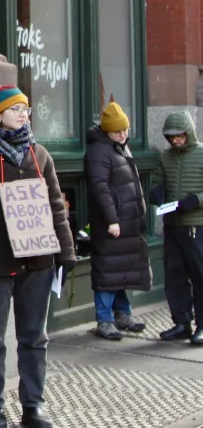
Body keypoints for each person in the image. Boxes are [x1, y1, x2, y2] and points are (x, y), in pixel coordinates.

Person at [0, 85, 76, 428]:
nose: (23, 113)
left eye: (26, 107)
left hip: (38, 262)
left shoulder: (39, 155)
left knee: (34, 337)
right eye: (15, 108)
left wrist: (66, 253)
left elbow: (57, 208)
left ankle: (32, 405)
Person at [83, 101, 150, 340]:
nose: (122, 134)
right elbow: (101, 188)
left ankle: (123, 313)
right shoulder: (99, 152)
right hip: (112, 224)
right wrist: (112, 220)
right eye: (117, 131)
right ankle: (105, 319)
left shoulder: (119, 147)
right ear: (107, 131)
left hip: (125, 221)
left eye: (125, 130)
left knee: (119, 269)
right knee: (107, 271)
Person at [149, 111, 203, 346]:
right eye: (171, 137)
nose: (175, 141)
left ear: (188, 133)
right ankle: (182, 323)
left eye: (179, 136)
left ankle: (202, 326)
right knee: (175, 277)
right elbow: (156, 180)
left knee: (200, 277)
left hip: (197, 227)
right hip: (173, 226)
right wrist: (157, 192)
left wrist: (197, 201)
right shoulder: (165, 156)